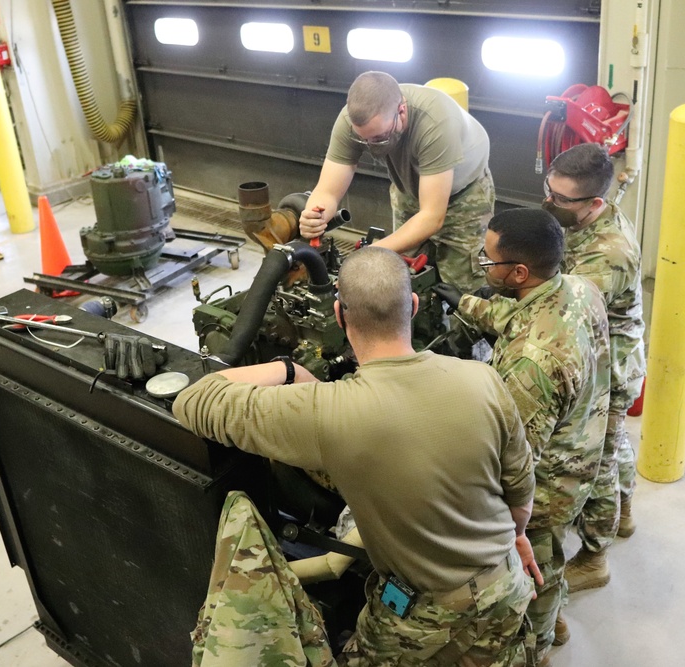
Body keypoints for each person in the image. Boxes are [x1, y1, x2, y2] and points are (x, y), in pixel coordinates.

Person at [174, 246, 542, 666]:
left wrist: (287, 370)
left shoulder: (327, 411)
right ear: (415, 304)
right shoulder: (484, 378)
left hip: (422, 616)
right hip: (507, 585)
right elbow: (520, 493)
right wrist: (509, 541)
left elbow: (194, 401)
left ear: (339, 315)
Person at [434, 208, 610, 667]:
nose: (481, 266)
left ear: (518, 272)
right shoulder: (578, 288)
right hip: (585, 444)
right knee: (547, 557)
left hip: (551, 481)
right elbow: (520, 318)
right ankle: (553, 620)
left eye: (487, 261)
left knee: (534, 562)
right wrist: (464, 302)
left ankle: (540, 643)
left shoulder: (530, 369)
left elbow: (513, 465)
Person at [541, 144, 646, 593]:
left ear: (594, 204)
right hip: (607, 353)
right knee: (615, 442)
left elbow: (565, 311)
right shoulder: (587, 218)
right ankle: (623, 513)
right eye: (549, 191)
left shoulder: (609, 253)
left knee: (595, 462)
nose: (551, 203)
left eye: (562, 200)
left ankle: (594, 557)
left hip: (611, 369)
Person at [299, 71, 493, 292]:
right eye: (363, 139)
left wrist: (371, 252)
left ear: (402, 111)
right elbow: (328, 191)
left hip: (464, 199)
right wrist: (316, 216)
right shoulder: (354, 121)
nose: (371, 145)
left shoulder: (435, 122)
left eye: (379, 137)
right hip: (409, 191)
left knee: (464, 287)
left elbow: (431, 217)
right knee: (400, 276)